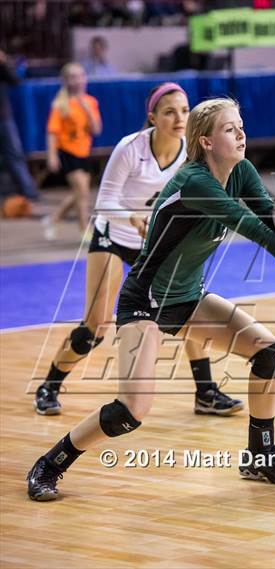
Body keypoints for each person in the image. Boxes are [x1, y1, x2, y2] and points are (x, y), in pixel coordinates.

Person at [27, 97, 275, 501]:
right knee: (131, 411)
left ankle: (260, 455)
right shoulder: (195, 182)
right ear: (206, 142)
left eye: (241, 125)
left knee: (269, 352)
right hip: (146, 302)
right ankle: (50, 463)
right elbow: (258, 235)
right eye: (230, 129)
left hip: (187, 298)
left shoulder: (241, 172)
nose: (241, 133)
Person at [35, 82, 243, 418]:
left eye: (185, 110)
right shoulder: (131, 148)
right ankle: (51, 383)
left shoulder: (192, 156)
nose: (179, 118)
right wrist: (132, 217)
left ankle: (205, 392)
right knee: (97, 326)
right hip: (114, 236)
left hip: (154, 242)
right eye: (170, 112)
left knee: (187, 306)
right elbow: (103, 203)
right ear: (152, 117)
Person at [42, 62, 102, 240]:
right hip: (67, 151)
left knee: (80, 192)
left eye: (81, 76)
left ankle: (54, 219)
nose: (78, 80)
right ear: (66, 81)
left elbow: (96, 129)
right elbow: (52, 133)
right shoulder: (60, 104)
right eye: (73, 77)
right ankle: (85, 229)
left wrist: (87, 109)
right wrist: (52, 155)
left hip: (83, 152)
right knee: (82, 191)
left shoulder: (91, 102)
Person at [0, 49, 39, 202]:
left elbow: (15, 80)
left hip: (3, 117)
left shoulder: (1, 67)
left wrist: (3, 64)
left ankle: (29, 191)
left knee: (15, 154)